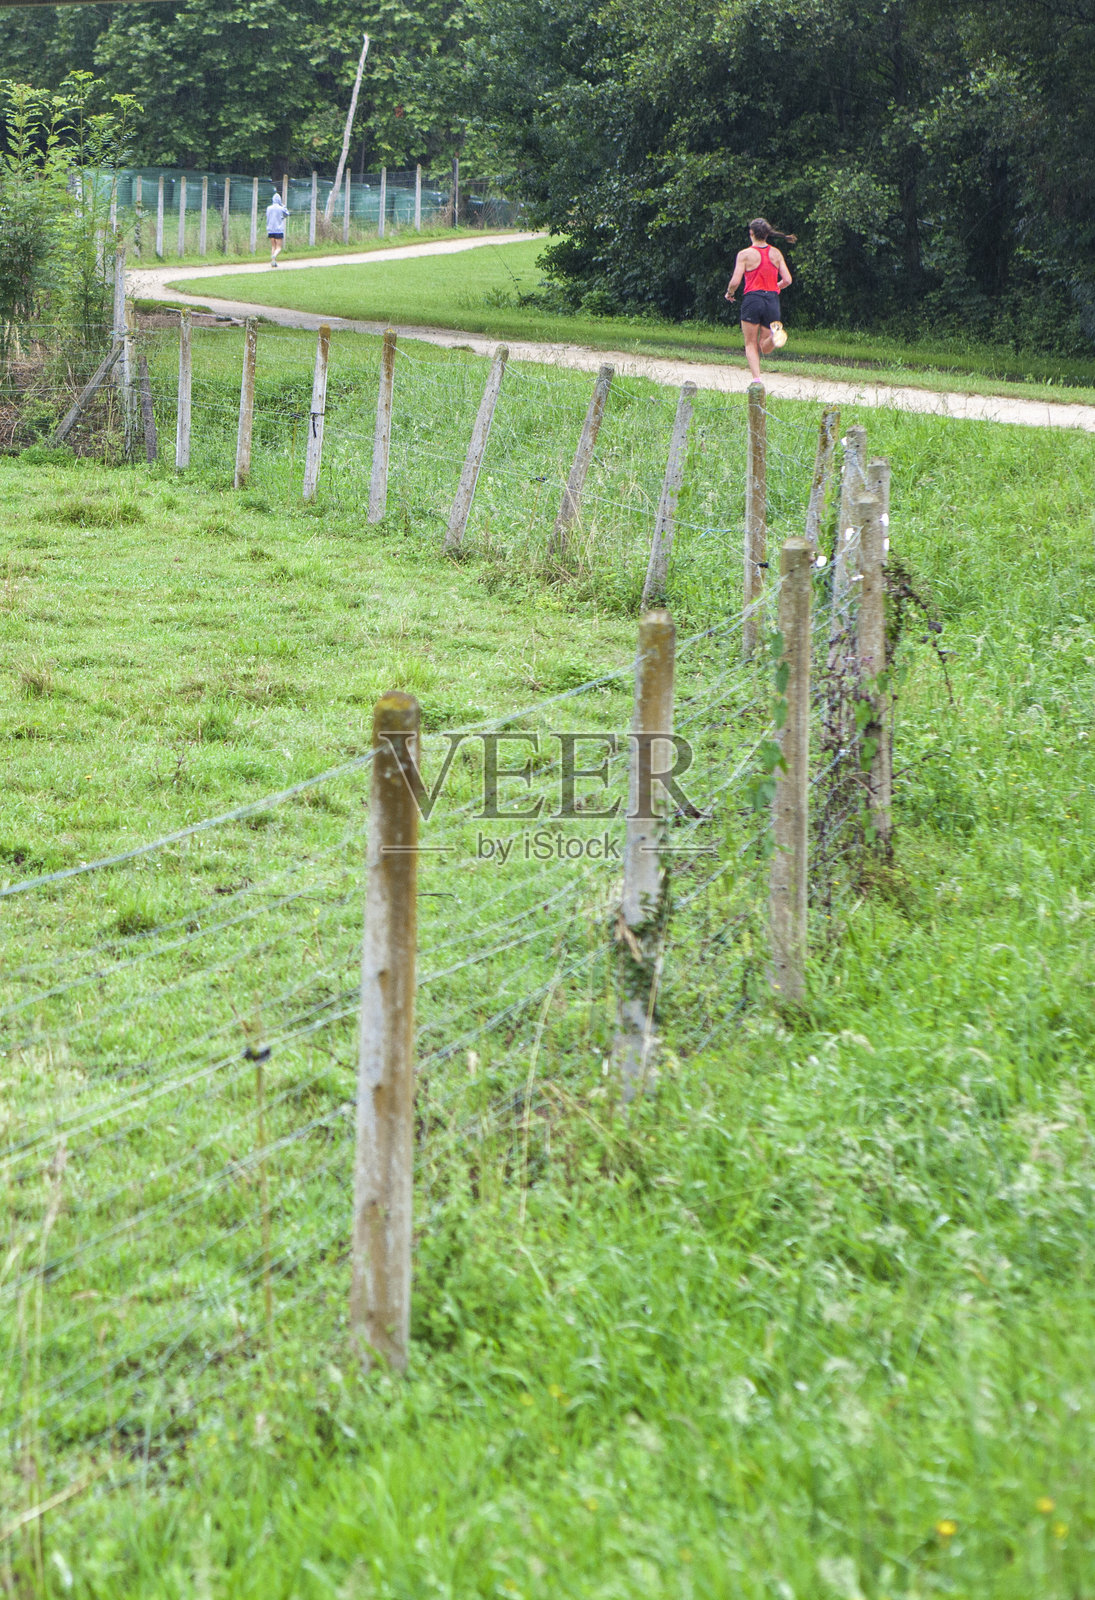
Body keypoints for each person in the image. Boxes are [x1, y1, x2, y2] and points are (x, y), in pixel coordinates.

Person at [724, 219, 796, 381]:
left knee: (750, 344)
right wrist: (775, 287)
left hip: (753, 299)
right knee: (765, 346)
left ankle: (757, 379)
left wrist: (730, 293)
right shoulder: (776, 253)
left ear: (751, 233)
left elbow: (735, 281)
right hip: (772, 300)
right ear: (766, 234)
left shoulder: (744, 255)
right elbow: (788, 280)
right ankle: (774, 335)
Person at [265, 192, 290, 266]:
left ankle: (273, 261)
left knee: (273, 246)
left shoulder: (268, 208)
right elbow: (287, 214)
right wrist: (283, 206)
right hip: (278, 230)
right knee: (278, 247)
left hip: (270, 230)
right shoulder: (281, 208)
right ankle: (274, 256)